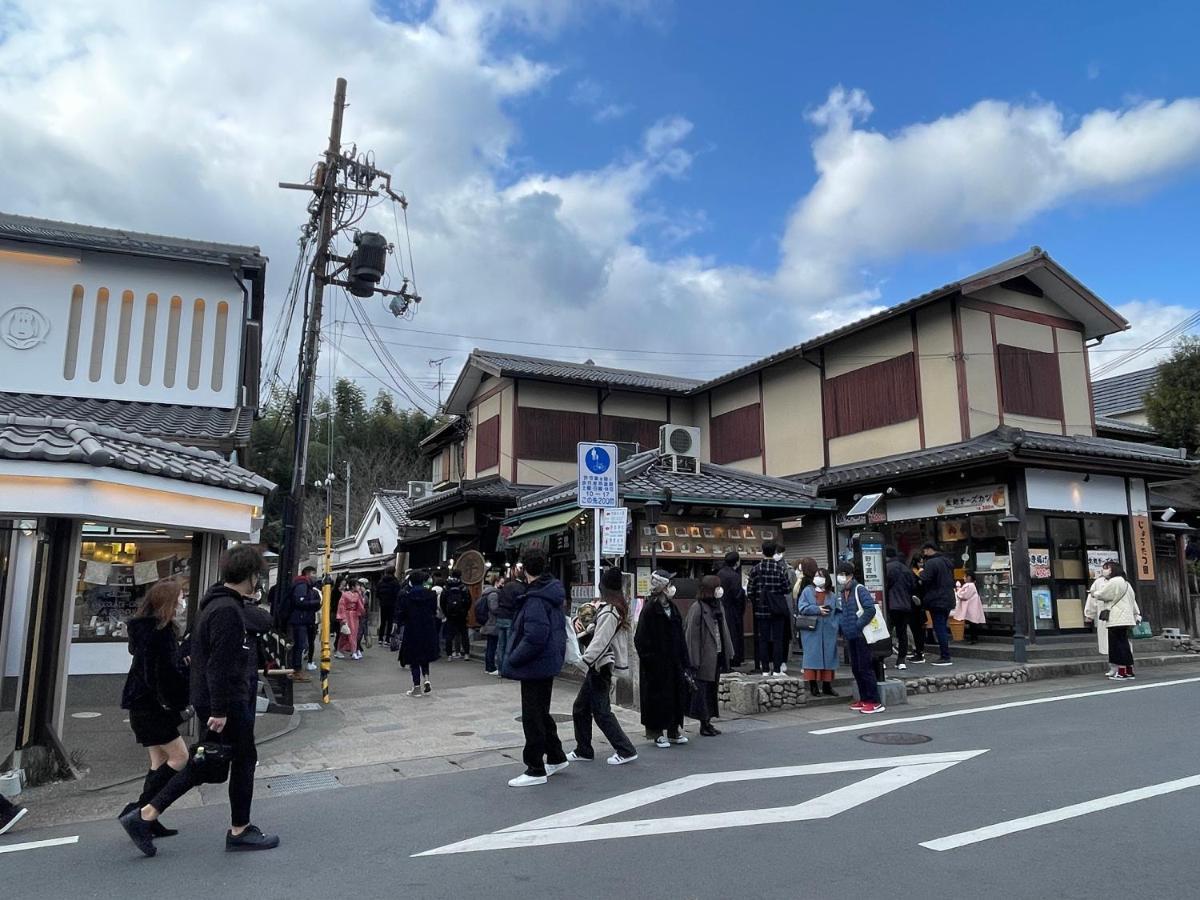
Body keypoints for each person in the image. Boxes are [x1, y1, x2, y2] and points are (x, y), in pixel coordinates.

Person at [120, 544, 279, 856]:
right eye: (256, 576)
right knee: (236, 761)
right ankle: (236, 830)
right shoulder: (228, 612)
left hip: (215, 700)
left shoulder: (213, 605)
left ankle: (146, 815)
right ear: (250, 577)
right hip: (227, 702)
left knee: (208, 763)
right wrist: (220, 709)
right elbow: (221, 664)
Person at [118, 578, 191, 838]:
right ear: (169, 602)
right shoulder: (161, 633)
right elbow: (164, 674)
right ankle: (140, 813)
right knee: (180, 757)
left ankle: (148, 817)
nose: (183, 601)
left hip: (140, 702)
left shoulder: (144, 630)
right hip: (153, 706)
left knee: (159, 760)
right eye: (181, 596)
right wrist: (180, 695)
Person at [502, 547, 570, 787]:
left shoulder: (535, 598)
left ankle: (535, 768)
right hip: (548, 660)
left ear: (524, 569)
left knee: (532, 716)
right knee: (541, 712)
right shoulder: (551, 591)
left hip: (534, 664)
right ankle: (556, 756)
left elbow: (535, 636)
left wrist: (513, 658)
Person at [568, 566, 638, 765]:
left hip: (600, 666)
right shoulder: (614, 608)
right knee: (582, 708)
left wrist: (583, 662)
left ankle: (625, 750)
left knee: (600, 711)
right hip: (600, 665)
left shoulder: (610, 611)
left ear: (605, 587)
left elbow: (601, 641)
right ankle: (584, 749)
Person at [634, 570, 691, 749]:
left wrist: (684, 660)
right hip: (656, 665)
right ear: (662, 587)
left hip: (674, 662)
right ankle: (657, 733)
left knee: (675, 696)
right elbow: (640, 639)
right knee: (656, 699)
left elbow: (680, 636)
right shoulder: (650, 609)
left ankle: (674, 731)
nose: (672, 588)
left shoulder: (673, 608)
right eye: (669, 584)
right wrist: (651, 660)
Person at [684, 575, 734, 736]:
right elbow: (692, 636)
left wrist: (729, 652)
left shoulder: (718, 606)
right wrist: (694, 660)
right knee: (702, 691)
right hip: (704, 656)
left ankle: (708, 721)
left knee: (711, 689)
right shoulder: (697, 608)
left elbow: (724, 631)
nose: (720, 590)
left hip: (717, 653)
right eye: (717, 587)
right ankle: (704, 722)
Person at [835, 561, 885, 715]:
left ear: (846, 574)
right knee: (856, 668)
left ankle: (874, 701)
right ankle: (864, 698)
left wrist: (858, 625)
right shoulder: (844, 591)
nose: (838, 577)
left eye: (840, 574)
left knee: (865, 668)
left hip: (862, 635)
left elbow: (870, 609)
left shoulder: (859, 589)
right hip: (851, 635)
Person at [747, 541, 791, 677]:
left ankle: (765, 669)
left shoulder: (756, 569)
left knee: (763, 639)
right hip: (777, 609)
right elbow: (787, 588)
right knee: (778, 639)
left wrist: (758, 599)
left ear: (762, 551)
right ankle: (777, 669)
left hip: (761, 609)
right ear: (774, 552)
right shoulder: (780, 569)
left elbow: (750, 591)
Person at [1091, 562, 1141, 680]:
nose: (1104, 571)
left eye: (1107, 568)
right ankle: (1129, 670)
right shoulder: (1127, 584)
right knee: (1124, 644)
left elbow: (1103, 594)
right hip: (1126, 618)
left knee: (1116, 645)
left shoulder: (1114, 581)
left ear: (1113, 570)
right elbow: (1132, 600)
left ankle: (1121, 671)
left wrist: (1094, 593)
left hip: (1116, 618)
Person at [796, 567, 839, 696]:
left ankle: (827, 685)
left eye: (820, 575)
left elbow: (837, 611)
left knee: (829, 657)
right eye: (816, 575)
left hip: (828, 630)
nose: (817, 578)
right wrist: (817, 609)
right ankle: (813, 685)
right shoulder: (807, 591)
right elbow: (802, 607)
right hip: (811, 630)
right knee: (812, 657)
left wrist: (836, 625)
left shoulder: (832, 595)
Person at [396, 570, 440, 696]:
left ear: (411, 581)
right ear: (423, 581)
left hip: (412, 629)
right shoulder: (431, 595)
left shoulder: (407, 596)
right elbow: (433, 611)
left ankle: (416, 687)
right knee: (425, 656)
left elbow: (402, 614)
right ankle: (426, 680)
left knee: (414, 658)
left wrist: (399, 625)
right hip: (428, 628)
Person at [883, 548, 922, 670]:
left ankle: (882, 659)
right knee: (902, 633)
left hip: (890, 605)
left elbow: (885, 586)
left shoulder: (886, 568)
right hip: (905, 605)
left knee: (885, 633)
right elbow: (913, 586)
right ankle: (901, 660)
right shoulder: (906, 569)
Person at [919, 542, 955, 666]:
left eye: (924, 551)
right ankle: (945, 654)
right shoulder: (946, 561)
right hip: (948, 598)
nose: (924, 554)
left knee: (939, 627)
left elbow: (925, 578)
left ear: (929, 550)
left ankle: (945, 656)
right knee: (942, 626)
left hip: (936, 599)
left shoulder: (931, 563)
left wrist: (921, 572)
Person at [287, 567, 322, 681]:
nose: (314, 576)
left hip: (304, 619)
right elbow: (299, 601)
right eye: (313, 573)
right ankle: (296, 670)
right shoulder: (302, 585)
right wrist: (316, 602)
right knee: (299, 645)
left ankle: (296, 669)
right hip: (299, 620)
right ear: (307, 574)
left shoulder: (307, 585)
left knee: (301, 645)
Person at [1084, 565, 1115, 676]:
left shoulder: (1120, 582)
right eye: (1104, 568)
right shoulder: (1098, 582)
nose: (1104, 570)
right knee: (1108, 643)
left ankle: (1124, 666)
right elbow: (1091, 598)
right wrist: (1089, 614)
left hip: (1117, 615)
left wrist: (1136, 615)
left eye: (1107, 568)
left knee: (1119, 642)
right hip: (1104, 616)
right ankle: (1114, 666)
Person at [717, 551, 746, 667]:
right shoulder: (735, 576)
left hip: (722, 606)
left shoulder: (720, 573)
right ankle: (734, 658)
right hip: (732, 609)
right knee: (734, 634)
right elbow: (737, 595)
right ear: (737, 561)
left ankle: (726, 659)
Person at [495, 562, 525, 674]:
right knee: (509, 644)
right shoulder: (521, 588)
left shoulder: (506, 586)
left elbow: (499, 599)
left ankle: (500, 669)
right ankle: (507, 669)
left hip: (501, 616)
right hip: (511, 617)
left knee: (501, 644)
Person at [440, 569, 471, 661]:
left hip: (450, 615)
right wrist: (465, 611)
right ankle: (466, 654)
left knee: (449, 635)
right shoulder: (463, 587)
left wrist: (446, 612)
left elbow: (442, 601)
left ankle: (449, 655)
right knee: (464, 634)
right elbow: (469, 601)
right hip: (461, 614)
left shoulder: (446, 587)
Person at [952, 573, 986, 644]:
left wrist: (958, 592)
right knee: (972, 622)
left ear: (969, 577)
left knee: (972, 623)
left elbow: (964, 595)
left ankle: (973, 638)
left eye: (965, 576)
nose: (963, 578)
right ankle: (973, 638)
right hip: (972, 606)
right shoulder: (972, 585)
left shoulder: (969, 585)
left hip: (971, 606)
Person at [479, 573, 503, 675]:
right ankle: (491, 667)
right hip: (492, 623)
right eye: (502, 583)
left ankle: (489, 667)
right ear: (496, 582)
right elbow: (494, 608)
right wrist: (502, 610)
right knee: (492, 646)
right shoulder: (493, 594)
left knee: (490, 645)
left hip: (489, 623)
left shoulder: (487, 593)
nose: (503, 585)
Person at [336, 580, 366, 661]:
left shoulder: (357, 595)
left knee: (354, 633)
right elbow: (341, 606)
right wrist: (342, 617)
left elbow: (360, 605)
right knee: (345, 633)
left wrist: (362, 612)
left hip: (354, 615)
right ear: (353, 586)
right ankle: (341, 650)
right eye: (357, 585)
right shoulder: (345, 595)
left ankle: (353, 651)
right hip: (346, 614)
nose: (359, 587)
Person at [376, 568, 402, 645]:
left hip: (383, 604)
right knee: (390, 622)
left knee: (383, 621)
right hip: (392, 604)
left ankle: (380, 638)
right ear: (394, 572)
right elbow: (397, 594)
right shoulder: (395, 582)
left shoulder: (380, 582)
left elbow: (377, 594)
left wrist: (382, 599)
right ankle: (387, 639)